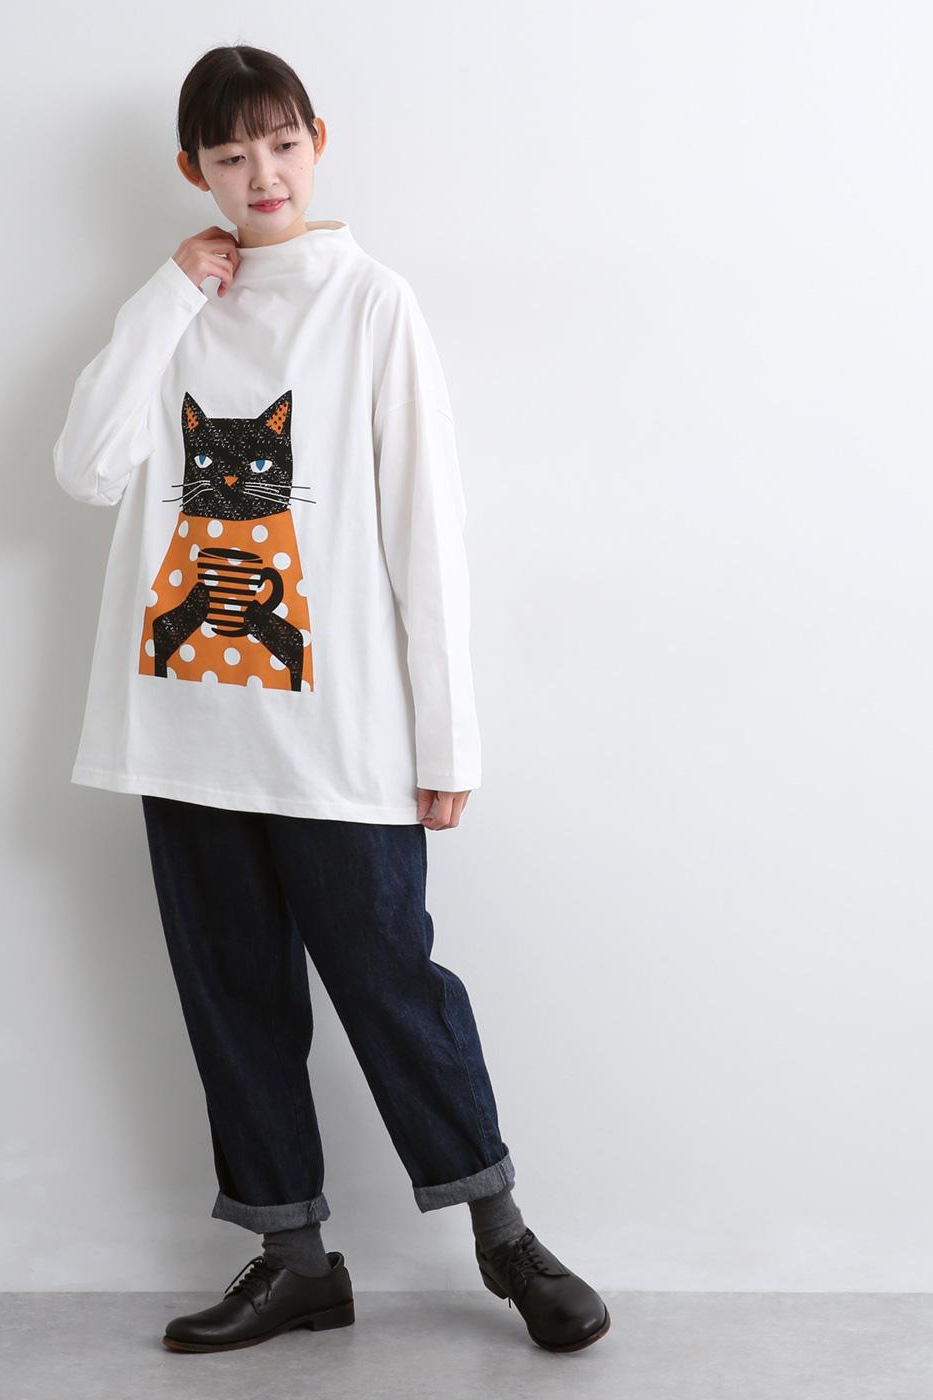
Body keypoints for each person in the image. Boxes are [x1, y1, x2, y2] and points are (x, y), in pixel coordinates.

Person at [52, 43, 609, 1355]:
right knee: (232, 995)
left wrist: (446, 733)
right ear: (193, 169)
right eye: (231, 154)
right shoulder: (177, 308)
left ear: (317, 139)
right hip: (184, 729)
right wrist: (165, 294)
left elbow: (426, 531)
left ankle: (503, 1238)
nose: (263, 174)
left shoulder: (371, 304)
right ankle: (294, 1261)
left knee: (392, 980)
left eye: (282, 143)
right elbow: (86, 467)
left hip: (338, 735)